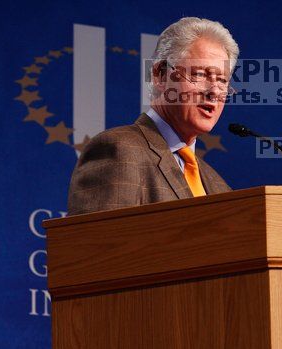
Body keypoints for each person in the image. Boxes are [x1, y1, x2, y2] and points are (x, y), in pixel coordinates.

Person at [67, 17, 238, 215]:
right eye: (200, 74)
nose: (214, 91)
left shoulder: (218, 185)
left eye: (222, 80)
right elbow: (99, 244)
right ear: (160, 76)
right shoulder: (119, 150)